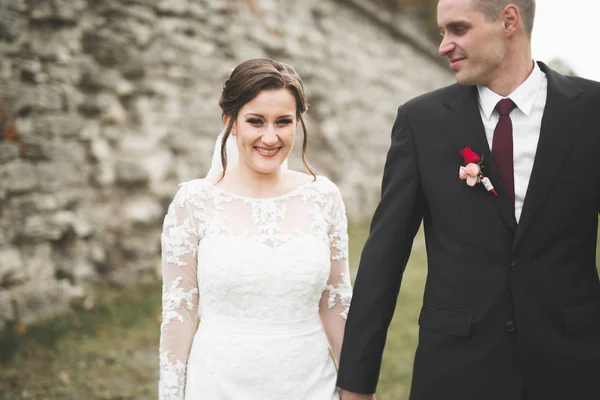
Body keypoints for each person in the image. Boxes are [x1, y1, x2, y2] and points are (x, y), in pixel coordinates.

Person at [337, 0, 600, 399]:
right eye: (443, 32)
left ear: (509, 21)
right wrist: (355, 383)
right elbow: (384, 258)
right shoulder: (421, 120)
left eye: (458, 29)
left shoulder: (592, 110)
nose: (444, 45)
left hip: (573, 367)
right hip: (455, 370)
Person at [158, 58, 352, 400]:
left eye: (283, 122)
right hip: (218, 383)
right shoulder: (194, 202)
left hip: (309, 382)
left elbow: (335, 303)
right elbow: (180, 313)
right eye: (255, 121)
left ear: (297, 123)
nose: (270, 137)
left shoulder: (323, 198)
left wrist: (356, 386)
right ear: (230, 123)